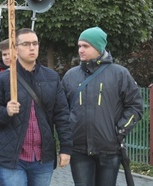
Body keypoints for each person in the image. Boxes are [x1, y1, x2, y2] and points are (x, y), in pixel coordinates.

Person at [0, 28, 72, 186]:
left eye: (35, 43)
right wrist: (5, 112)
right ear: (15, 49)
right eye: (26, 44)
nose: (32, 47)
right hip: (11, 158)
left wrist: (65, 148)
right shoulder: (2, 79)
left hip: (42, 158)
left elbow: (62, 115)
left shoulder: (51, 77)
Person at [61, 26, 143, 186]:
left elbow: (135, 106)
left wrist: (120, 131)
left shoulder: (120, 74)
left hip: (109, 149)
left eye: (86, 46)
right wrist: (67, 133)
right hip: (79, 149)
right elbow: (61, 110)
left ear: (99, 47)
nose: (81, 50)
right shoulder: (70, 76)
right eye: (79, 46)